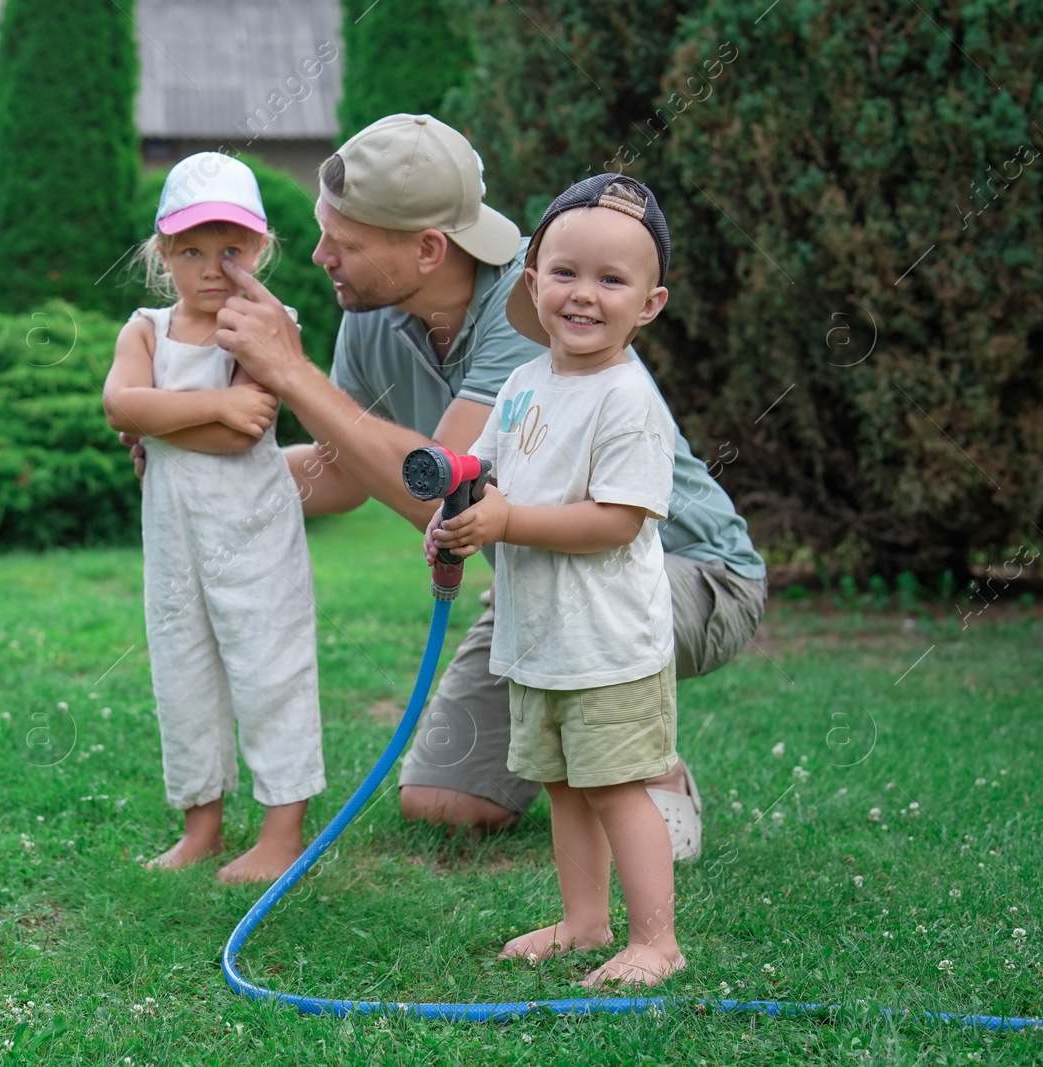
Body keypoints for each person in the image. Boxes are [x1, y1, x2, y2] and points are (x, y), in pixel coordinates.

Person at [203, 113, 767, 860]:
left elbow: (444, 491)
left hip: (683, 575)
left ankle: (644, 762)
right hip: (542, 584)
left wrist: (290, 373)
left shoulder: (536, 312)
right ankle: (592, 752)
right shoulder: (372, 319)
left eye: (346, 241)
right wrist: (206, 470)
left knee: (601, 727)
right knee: (443, 802)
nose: (320, 255)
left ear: (430, 248)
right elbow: (342, 472)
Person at [427, 173, 683, 987]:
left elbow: (617, 518)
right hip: (540, 638)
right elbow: (496, 476)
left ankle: (656, 941)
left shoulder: (628, 399)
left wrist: (508, 523)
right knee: (565, 785)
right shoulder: (525, 382)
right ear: (533, 284)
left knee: (616, 789)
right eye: (566, 273)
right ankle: (584, 921)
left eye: (612, 281)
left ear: (649, 303)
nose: (584, 295)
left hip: (608, 643)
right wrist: (460, 516)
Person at [102, 152, 325, 884]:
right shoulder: (145, 330)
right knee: (183, 667)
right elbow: (120, 405)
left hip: (253, 536)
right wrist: (211, 403)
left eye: (230, 250)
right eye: (191, 250)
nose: (211, 267)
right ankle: (201, 824)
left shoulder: (265, 327)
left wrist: (168, 419)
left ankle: (281, 832)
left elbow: (245, 430)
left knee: (269, 667)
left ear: (259, 249)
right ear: (164, 252)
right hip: (174, 540)